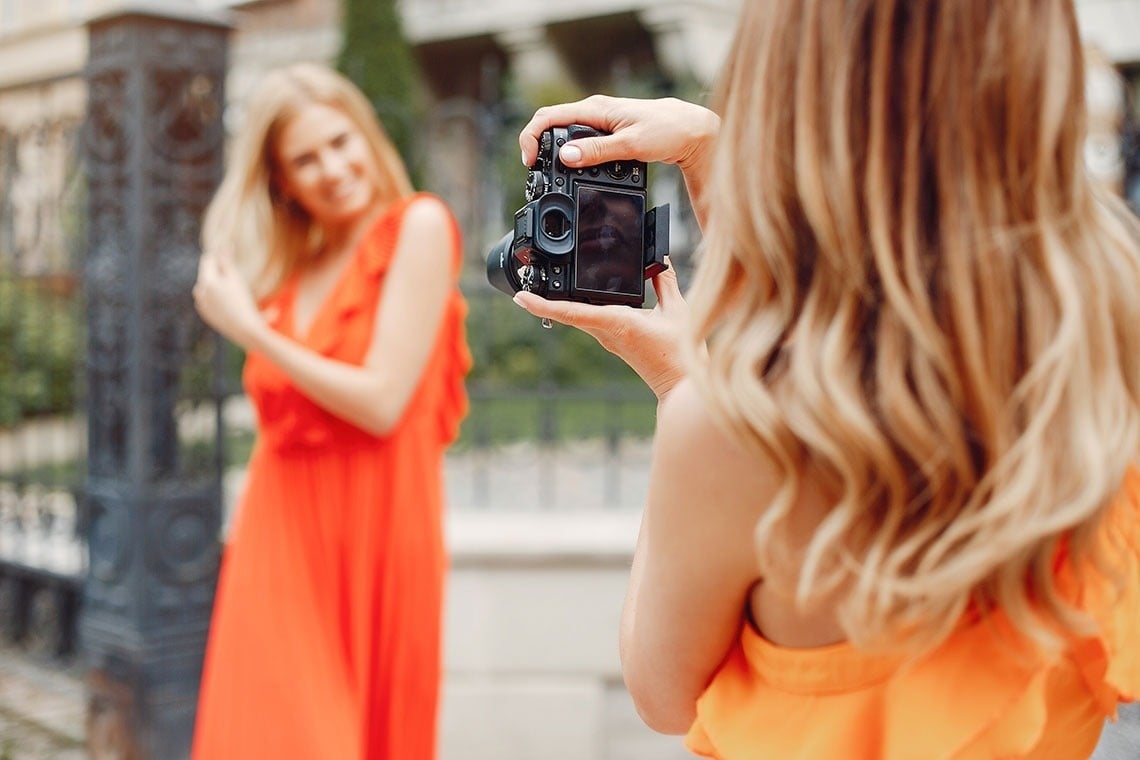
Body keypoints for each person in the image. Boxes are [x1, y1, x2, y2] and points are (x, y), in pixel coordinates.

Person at [513, 1, 1140, 758]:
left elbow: (662, 693)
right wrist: (712, 164)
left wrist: (684, 387)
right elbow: (872, 297)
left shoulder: (734, 434)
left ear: (784, 95)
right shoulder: (1107, 327)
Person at [189, 62, 470, 759]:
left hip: (376, 529)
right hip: (276, 537)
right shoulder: (297, 264)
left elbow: (381, 402)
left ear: (368, 136)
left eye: (341, 142)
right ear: (281, 179)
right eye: (306, 159)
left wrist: (251, 331)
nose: (334, 169)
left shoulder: (419, 225)